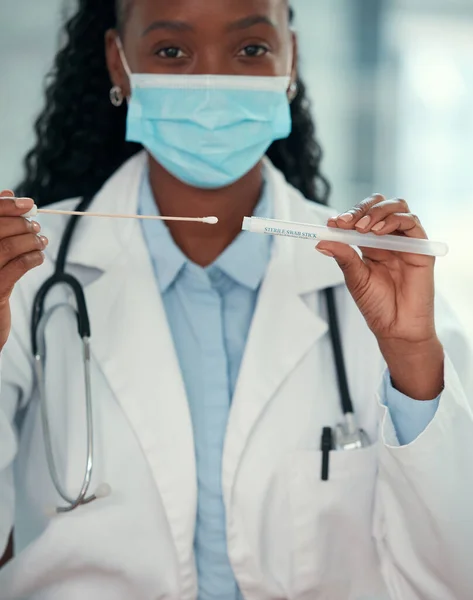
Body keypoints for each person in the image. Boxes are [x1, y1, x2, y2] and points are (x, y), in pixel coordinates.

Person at [0, 1, 472, 599]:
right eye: (172, 52)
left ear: (290, 59)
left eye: (250, 50)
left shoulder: (376, 272)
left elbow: (453, 576)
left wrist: (411, 357)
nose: (209, 83)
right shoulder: (26, 279)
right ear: (119, 64)